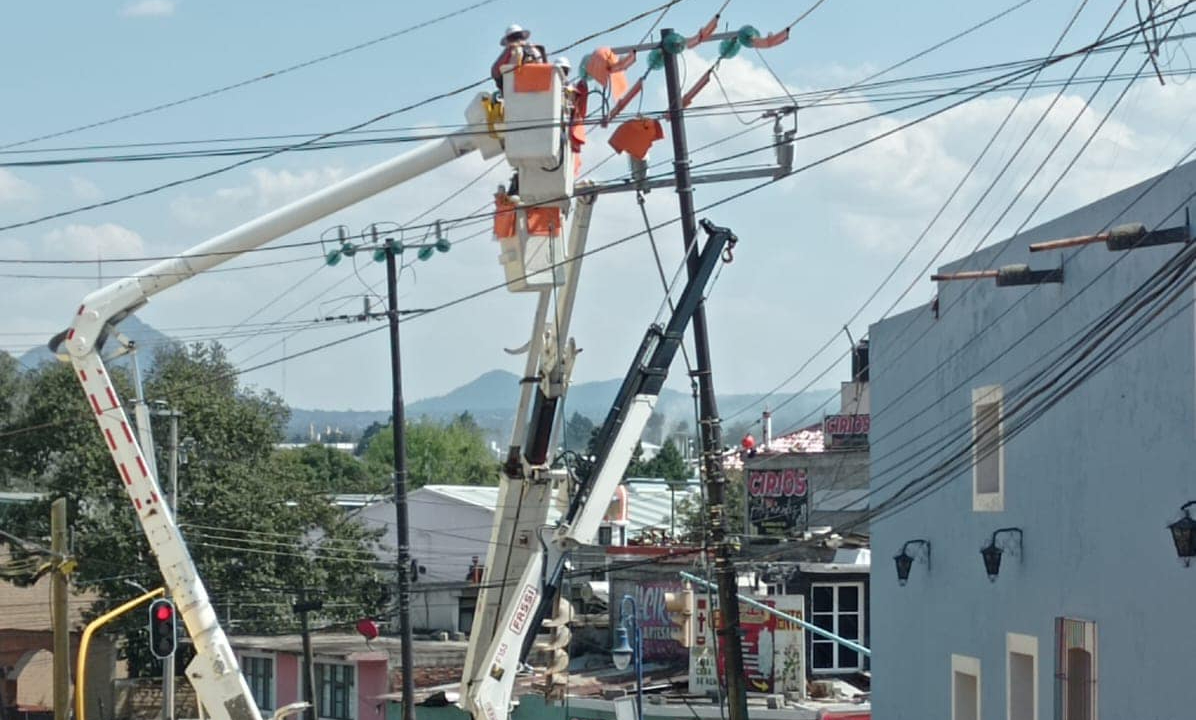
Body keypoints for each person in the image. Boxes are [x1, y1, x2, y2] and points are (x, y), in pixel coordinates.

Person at [491, 23, 546, 91]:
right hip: (538, 88)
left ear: (509, 40)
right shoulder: (536, 50)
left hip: (516, 90)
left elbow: (495, 72)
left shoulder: (510, 51)